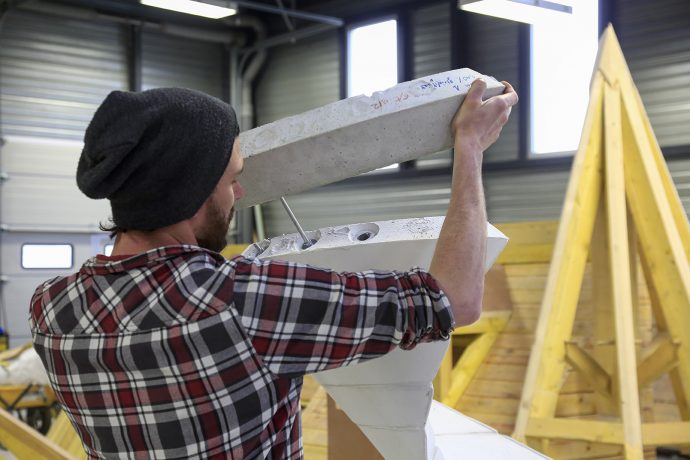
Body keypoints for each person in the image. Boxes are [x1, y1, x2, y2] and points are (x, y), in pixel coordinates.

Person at [30, 79, 517, 459]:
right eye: (232, 180)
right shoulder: (240, 301)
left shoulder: (51, 310)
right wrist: (469, 149)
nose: (238, 195)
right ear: (191, 190)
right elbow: (451, 299)